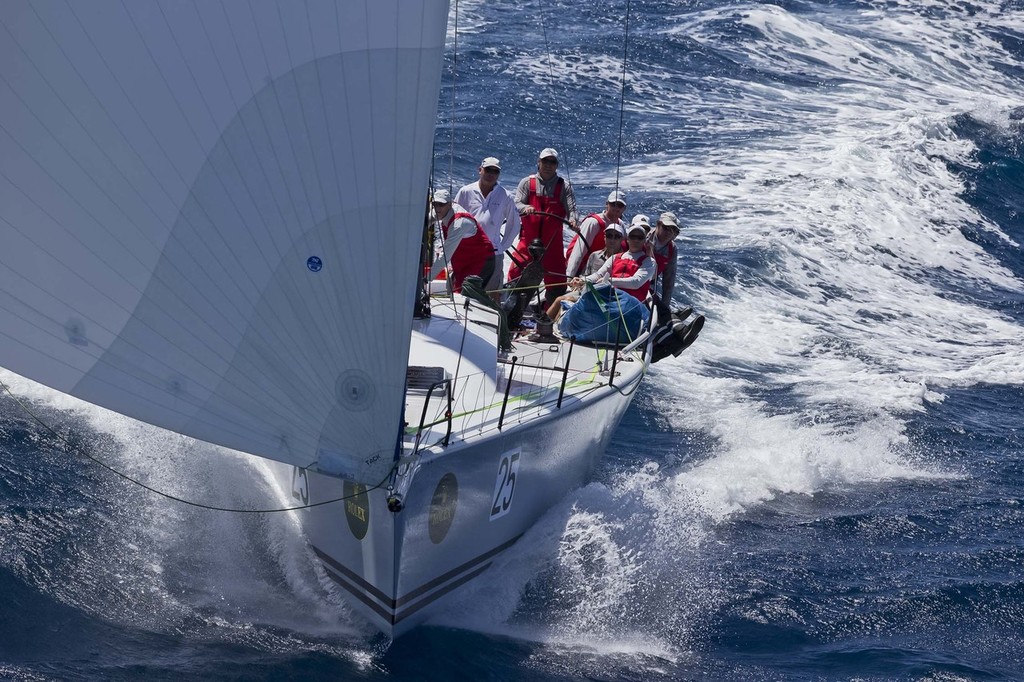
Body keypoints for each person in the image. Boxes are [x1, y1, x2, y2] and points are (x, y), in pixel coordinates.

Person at [508, 147, 578, 305]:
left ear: (557, 165)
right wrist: (525, 208)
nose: (548, 165)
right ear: (539, 162)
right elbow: (517, 203)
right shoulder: (527, 183)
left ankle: (551, 312)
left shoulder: (564, 186)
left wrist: (574, 220)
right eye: (545, 161)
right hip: (528, 241)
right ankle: (512, 305)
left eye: (552, 162)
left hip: (552, 244)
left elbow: (572, 209)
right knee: (516, 272)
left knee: (557, 278)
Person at [454, 156, 521, 300]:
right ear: (480, 170)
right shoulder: (465, 192)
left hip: (493, 253)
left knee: (491, 294)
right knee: (462, 291)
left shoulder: (505, 196)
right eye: (488, 170)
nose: (491, 174)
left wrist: (503, 247)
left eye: (495, 171)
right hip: (467, 251)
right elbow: (454, 219)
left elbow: (514, 223)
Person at [547, 222, 625, 319]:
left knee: (566, 301)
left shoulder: (624, 260)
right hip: (586, 291)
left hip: (605, 297)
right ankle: (542, 327)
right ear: (604, 237)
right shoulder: (594, 256)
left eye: (616, 236)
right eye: (609, 235)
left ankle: (554, 328)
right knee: (559, 299)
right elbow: (585, 275)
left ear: (622, 239)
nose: (612, 239)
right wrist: (578, 282)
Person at [428, 189, 495, 294]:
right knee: (455, 293)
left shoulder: (459, 223)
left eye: (441, 205)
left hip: (481, 261)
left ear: (450, 205)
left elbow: (445, 257)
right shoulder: (438, 211)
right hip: (463, 262)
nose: (437, 208)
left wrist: (426, 279)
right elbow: (425, 222)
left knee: (463, 298)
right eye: (435, 204)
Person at [571, 223, 655, 301]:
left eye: (640, 237)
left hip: (631, 304)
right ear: (627, 239)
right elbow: (599, 275)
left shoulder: (649, 262)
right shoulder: (614, 257)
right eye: (633, 236)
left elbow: (636, 282)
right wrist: (583, 280)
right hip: (610, 298)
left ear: (644, 240)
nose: (636, 240)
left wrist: (609, 281)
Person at [564, 191, 627, 278]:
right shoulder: (593, 223)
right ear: (606, 204)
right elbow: (578, 253)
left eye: (620, 205)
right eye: (613, 204)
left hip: (605, 270)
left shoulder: (621, 225)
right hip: (585, 269)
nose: (616, 208)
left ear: (624, 208)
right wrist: (569, 277)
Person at [648, 211, 679, 302]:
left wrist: (666, 304)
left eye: (672, 229)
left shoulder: (672, 249)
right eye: (665, 228)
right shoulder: (645, 237)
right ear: (658, 225)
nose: (668, 232)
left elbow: (669, 280)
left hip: (651, 284)